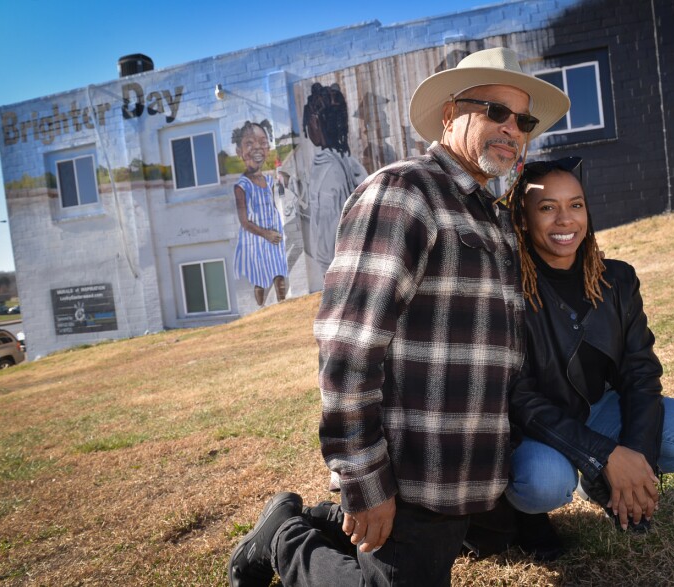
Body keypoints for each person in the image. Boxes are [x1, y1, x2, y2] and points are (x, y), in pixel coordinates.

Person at [227, 47, 570, 587]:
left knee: (497, 540)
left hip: (474, 474)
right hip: (414, 476)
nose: (513, 128)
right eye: (496, 112)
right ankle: (286, 540)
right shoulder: (404, 193)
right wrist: (364, 481)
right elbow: (346, 351)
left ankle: (323, 519)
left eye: (523, 120)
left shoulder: (491, 214)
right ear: (450, 114)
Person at [502, 157, 674, 552]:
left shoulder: (617, 278)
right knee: (544, 484)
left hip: (599, 406)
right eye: (546, 208)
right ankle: (527, 518)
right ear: (523, 220)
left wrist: (635, 458)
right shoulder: (504, 289)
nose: (565, 220)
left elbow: (640, 372)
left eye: (575, 205)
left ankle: (607, 482)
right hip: (537, 426)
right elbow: (519, 397)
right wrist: (603, 455)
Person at [302, 82, 368, 277]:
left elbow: (328, 232)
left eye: (309, 121)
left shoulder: (328, 171)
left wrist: (328, 269)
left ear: (318, 123)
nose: (307, 128)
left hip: (340, 270)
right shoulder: (350, 163)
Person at [231, 120, 289, 305]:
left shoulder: (270, 181)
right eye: (249, 143)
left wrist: (283, 181)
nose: (257, 148)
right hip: (256, 238)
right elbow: (244, 221)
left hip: (274, 234)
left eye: (262, 142)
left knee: (279, 270)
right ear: (239, 152)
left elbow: (276, 201)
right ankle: (261, 309)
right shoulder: (242, 186)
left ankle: (282, 306)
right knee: (261, 278)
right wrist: (266, 234)